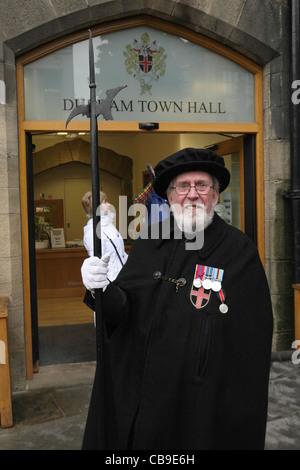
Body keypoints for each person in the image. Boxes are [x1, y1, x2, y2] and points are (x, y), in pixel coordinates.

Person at [81, 148, 273, 450]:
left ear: (215, 194)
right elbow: (123, 312)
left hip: (198, 402)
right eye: (183, 186)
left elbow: (250, 343)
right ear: (170, 197)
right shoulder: (148, 240)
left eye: (202, 185)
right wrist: (101, 289)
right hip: (142, 394)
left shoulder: (239, 251)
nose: (192, 194)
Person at [81, 190, 128, 281]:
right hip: (110, 281)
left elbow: (120, 254)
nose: (109, 204)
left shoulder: (109, 226)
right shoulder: (93, 231)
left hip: (121, 277)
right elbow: (98, 262)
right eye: (104, 202)